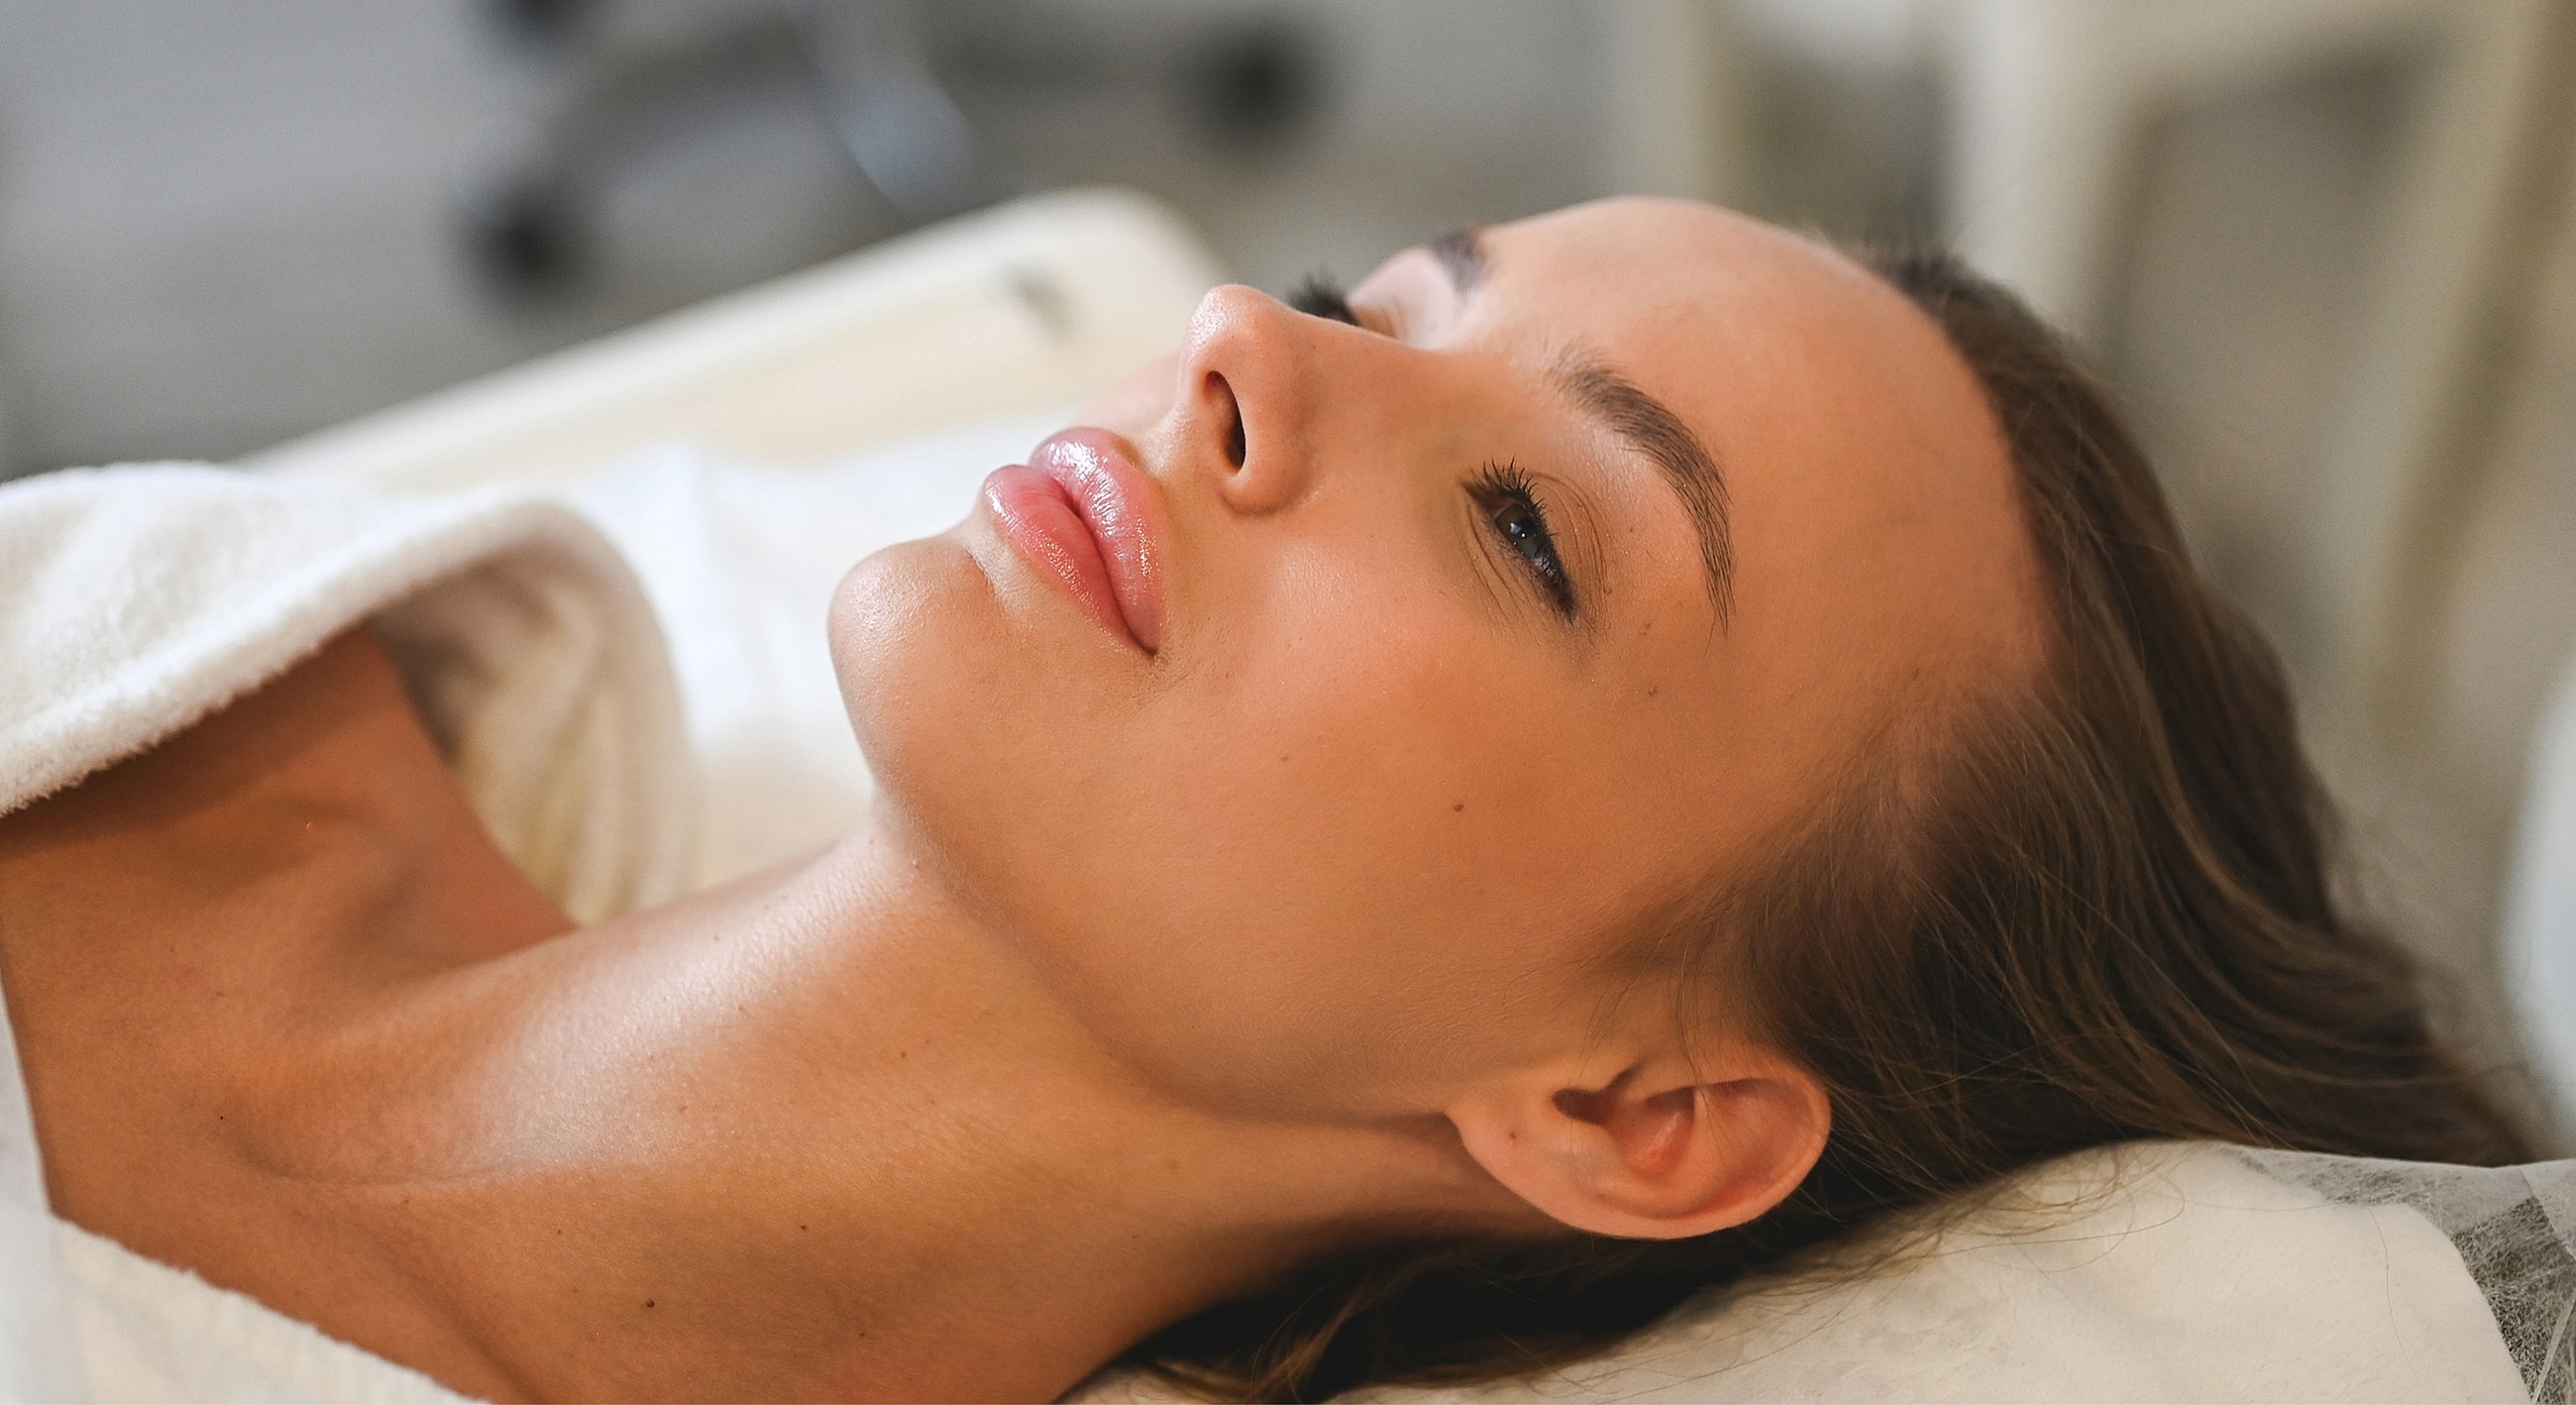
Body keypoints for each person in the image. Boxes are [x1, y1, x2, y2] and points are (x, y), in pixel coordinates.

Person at [0, 197, 2529, 1403]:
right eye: (1375, 302)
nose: (1231, 345)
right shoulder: (246, 689)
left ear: (1632, 1108)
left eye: (1531, 526)